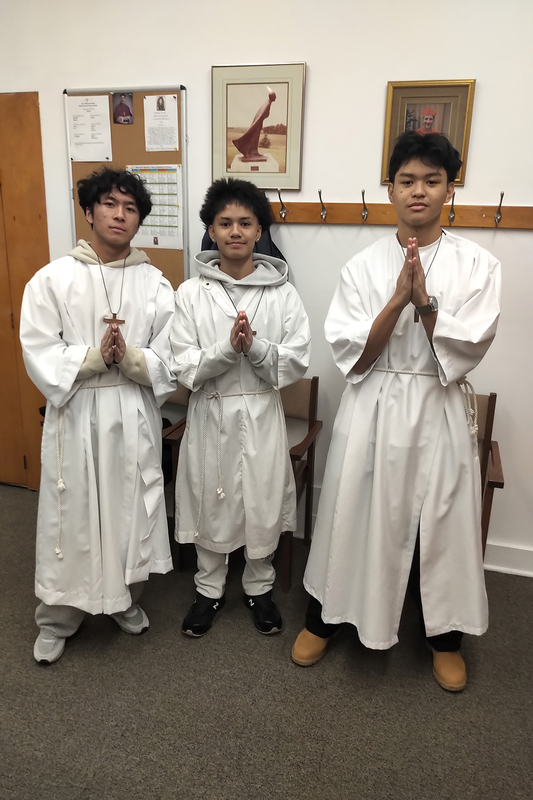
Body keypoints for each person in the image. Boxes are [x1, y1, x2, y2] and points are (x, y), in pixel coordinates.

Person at [291, 132, 501, 691]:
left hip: (436, 402)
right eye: (407, 180)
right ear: (389, 188)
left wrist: (426, 303)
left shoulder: (477, 263)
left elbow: (469, 344)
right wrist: (398, 299)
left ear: (449, 189)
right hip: (375, 402)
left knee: (443, 525)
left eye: (432, 181)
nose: (418, 191)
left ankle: (445, 638)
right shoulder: (363, 264)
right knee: (352, 512)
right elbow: (350, 350)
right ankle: (327, 618)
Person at [20, 168, 176, 664]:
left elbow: (173, 353)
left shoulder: (155, 283)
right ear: (89, 212)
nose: (120, 215)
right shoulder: (53, 278)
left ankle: (122, 599)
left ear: (139, 221)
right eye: (109, 204)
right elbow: (39, 349)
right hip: (79, 408)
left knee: (130, 508)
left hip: (131, 407)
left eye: (130, 208)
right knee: (74, 514)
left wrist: (130, 359)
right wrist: (92, 358)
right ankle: (58, 618)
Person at [171, 178, 310, 637]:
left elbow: (294, 361)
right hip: (211, 411)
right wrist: (227, 351)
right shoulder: (190, 294)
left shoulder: (282, 293)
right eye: (225, 222)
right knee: (211, 497)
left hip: (260, 410)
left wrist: (256, 348)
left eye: (245, 223)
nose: (235, 231)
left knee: (262, 500)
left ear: (259, 231)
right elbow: (183, 365)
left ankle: (259, 587)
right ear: (210, 231)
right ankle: (208, 590)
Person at [232, 91, 277, 161]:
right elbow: (261, 115)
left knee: (256, 138)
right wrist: (256, 125)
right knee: (252, 138)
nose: (276, 97)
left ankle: (254, 151)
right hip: (257, 124)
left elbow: (262, 115)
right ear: (272, 97)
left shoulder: (267, 103)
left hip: (259, 124)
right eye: (275, 96)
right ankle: (246, 152)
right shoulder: (267, 104)